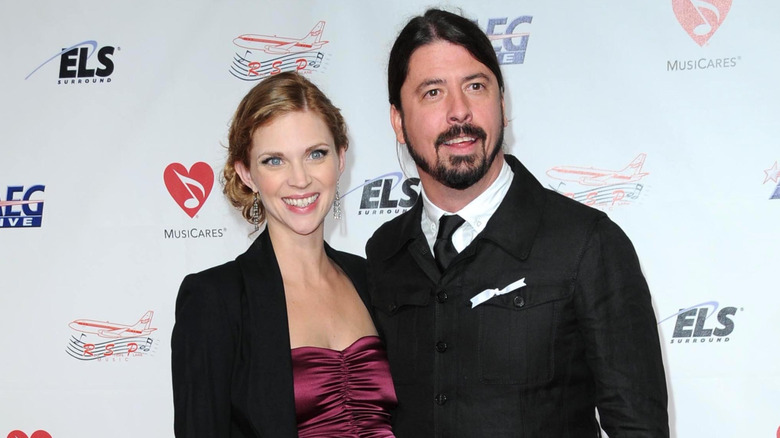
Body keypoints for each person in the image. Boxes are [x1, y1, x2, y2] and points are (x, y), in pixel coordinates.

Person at [365, 9, 669, 437]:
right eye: (432, 93)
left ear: (502, 105)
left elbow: (638, 426)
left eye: (475, 86)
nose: (459, 112)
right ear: (398, 121)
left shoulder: (587, 244)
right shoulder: (383, 253)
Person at [172, 72, 396, 437]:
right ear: (245, 172)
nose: (300, 179)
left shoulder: (375, 281)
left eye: (315, 154)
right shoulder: (215, 299)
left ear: (341, 158)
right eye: (274, 161)